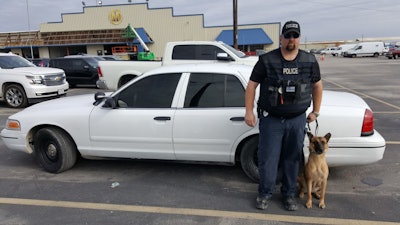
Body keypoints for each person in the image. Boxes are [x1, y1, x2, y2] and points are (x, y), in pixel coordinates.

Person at [244, 20, 323, 211]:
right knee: (268, 159)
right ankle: (265, 194)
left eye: (295, 36)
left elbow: (317, 85)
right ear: (281, 38)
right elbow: (252, 86)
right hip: (271, 120)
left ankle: (289, 195)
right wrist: (248, 111)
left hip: (297, 120)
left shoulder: (309, 60)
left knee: (292, 160)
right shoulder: (266, 60)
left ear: (299, 38)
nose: (291, 39)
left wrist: (315, 111)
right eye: (287, 35)